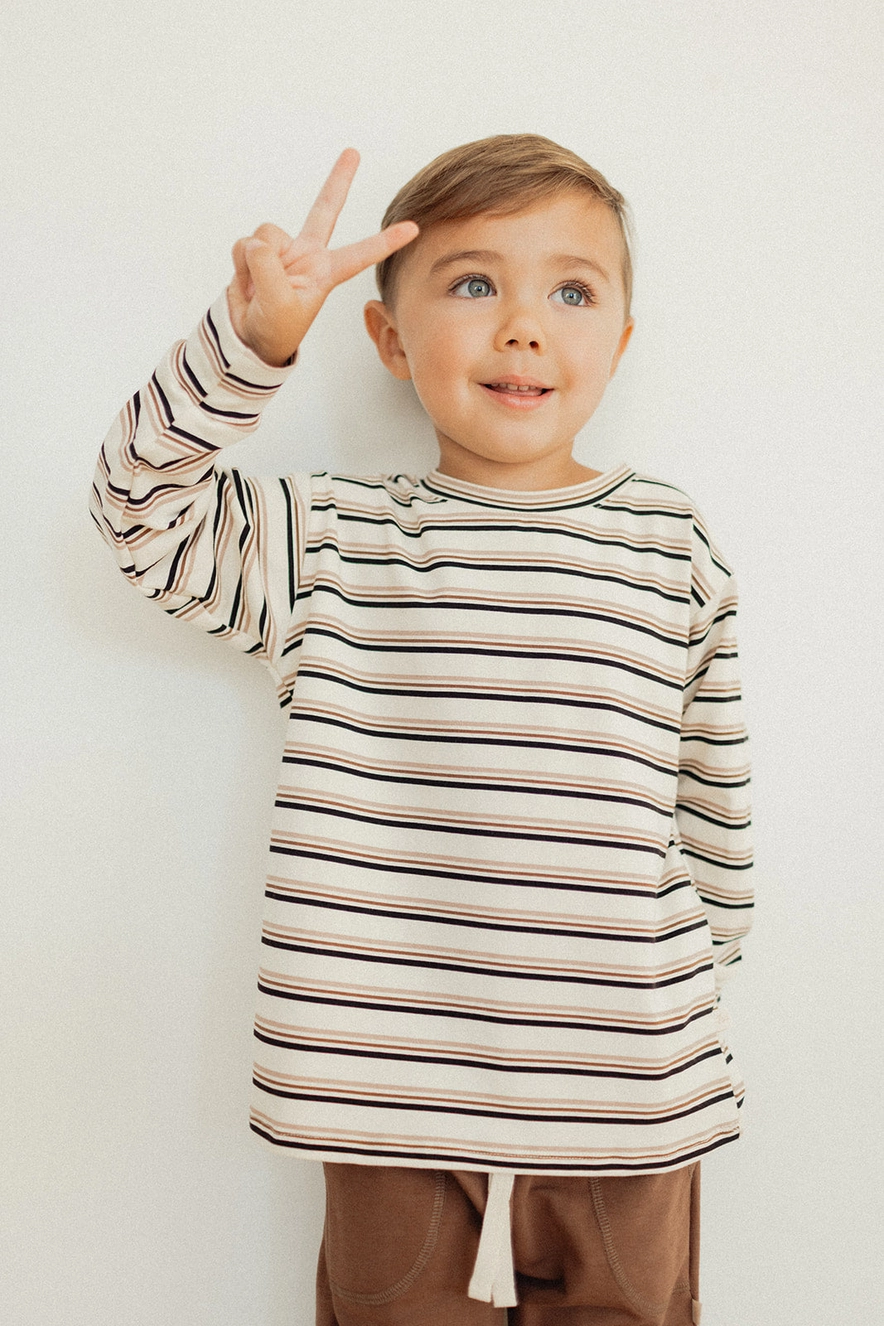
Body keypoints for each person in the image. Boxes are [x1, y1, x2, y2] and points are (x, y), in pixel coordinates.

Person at [90, 135, 753, 1326]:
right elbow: (140, 510)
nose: (522, 328)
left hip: (625, 1096)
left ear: (619, 339)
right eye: (472, 283)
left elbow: (709, 802)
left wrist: (686, 982)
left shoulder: (668, 544)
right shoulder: (330, 545)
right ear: (389, 339)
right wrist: (253, 342)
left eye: (569, 291)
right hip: (384, 1102)